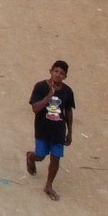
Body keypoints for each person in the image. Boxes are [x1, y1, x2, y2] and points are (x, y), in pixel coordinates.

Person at [26, 61, 76, 200]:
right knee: (41, 156)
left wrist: (70, 132)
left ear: (65, 76)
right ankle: (31, 156)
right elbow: (35, 108)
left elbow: (68, 111)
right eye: (56, 71)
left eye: (61, 73)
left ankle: (48, 185)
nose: (58, 75)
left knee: (55, 158)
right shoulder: (40, 87)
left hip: (58, 131)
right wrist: (50, 95)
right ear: (50, 71)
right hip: (43, 130)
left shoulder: (67, 91)